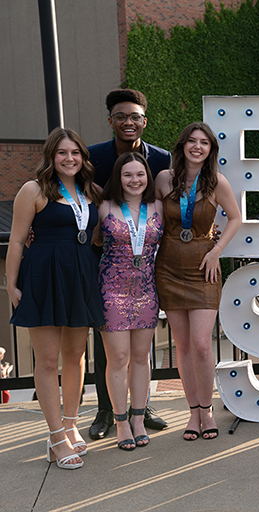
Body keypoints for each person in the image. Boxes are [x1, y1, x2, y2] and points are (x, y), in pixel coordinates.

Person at [7, 128, 104, 469]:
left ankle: (71, 424)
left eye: (75, 153)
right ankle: (55, 438)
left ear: (83, 157)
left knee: (76, 356)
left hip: (79, 277)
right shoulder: (32, 190)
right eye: (62, 153)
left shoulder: (91, 191)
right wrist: (12, 285)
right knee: (48, 361)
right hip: (43, 278)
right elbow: (17, 241)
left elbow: (95, 233)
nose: (69, 158)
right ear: (51, 156)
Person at [87, 89, 171, 440]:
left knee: (140, 351)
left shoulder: (162, 158)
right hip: (103, 258)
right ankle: (107, 411)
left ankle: (141, 408)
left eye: (135, 117)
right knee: (109, 349)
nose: (128, 122)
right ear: (111, 120)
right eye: (121, 116)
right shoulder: (92, 157)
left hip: (144, 267)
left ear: (144, 121)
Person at [155, 122, 241, 441]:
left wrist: (217, 250)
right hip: (169, 267)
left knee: (203, 344)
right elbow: (147, 215)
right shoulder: (165, 180)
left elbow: (235, 217)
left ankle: (207, 408)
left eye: (203, 142)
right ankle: (193, 414)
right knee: (185, 345)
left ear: (210, 150)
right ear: (182, 146)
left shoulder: (217, 182)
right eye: (191, 141)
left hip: (204, 267)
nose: (197, 146)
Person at [94, 152, 163, 450]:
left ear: (147, 176)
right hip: (112, 289)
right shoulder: (103, 207)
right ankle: (121, 422)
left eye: (140, 174)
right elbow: (84, 236)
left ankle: (138, 418)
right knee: (118, 359)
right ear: (118, 178)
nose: (135, 180)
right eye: (127, 175)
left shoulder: (158, 207)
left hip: (147, 290)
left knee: (140, 358)